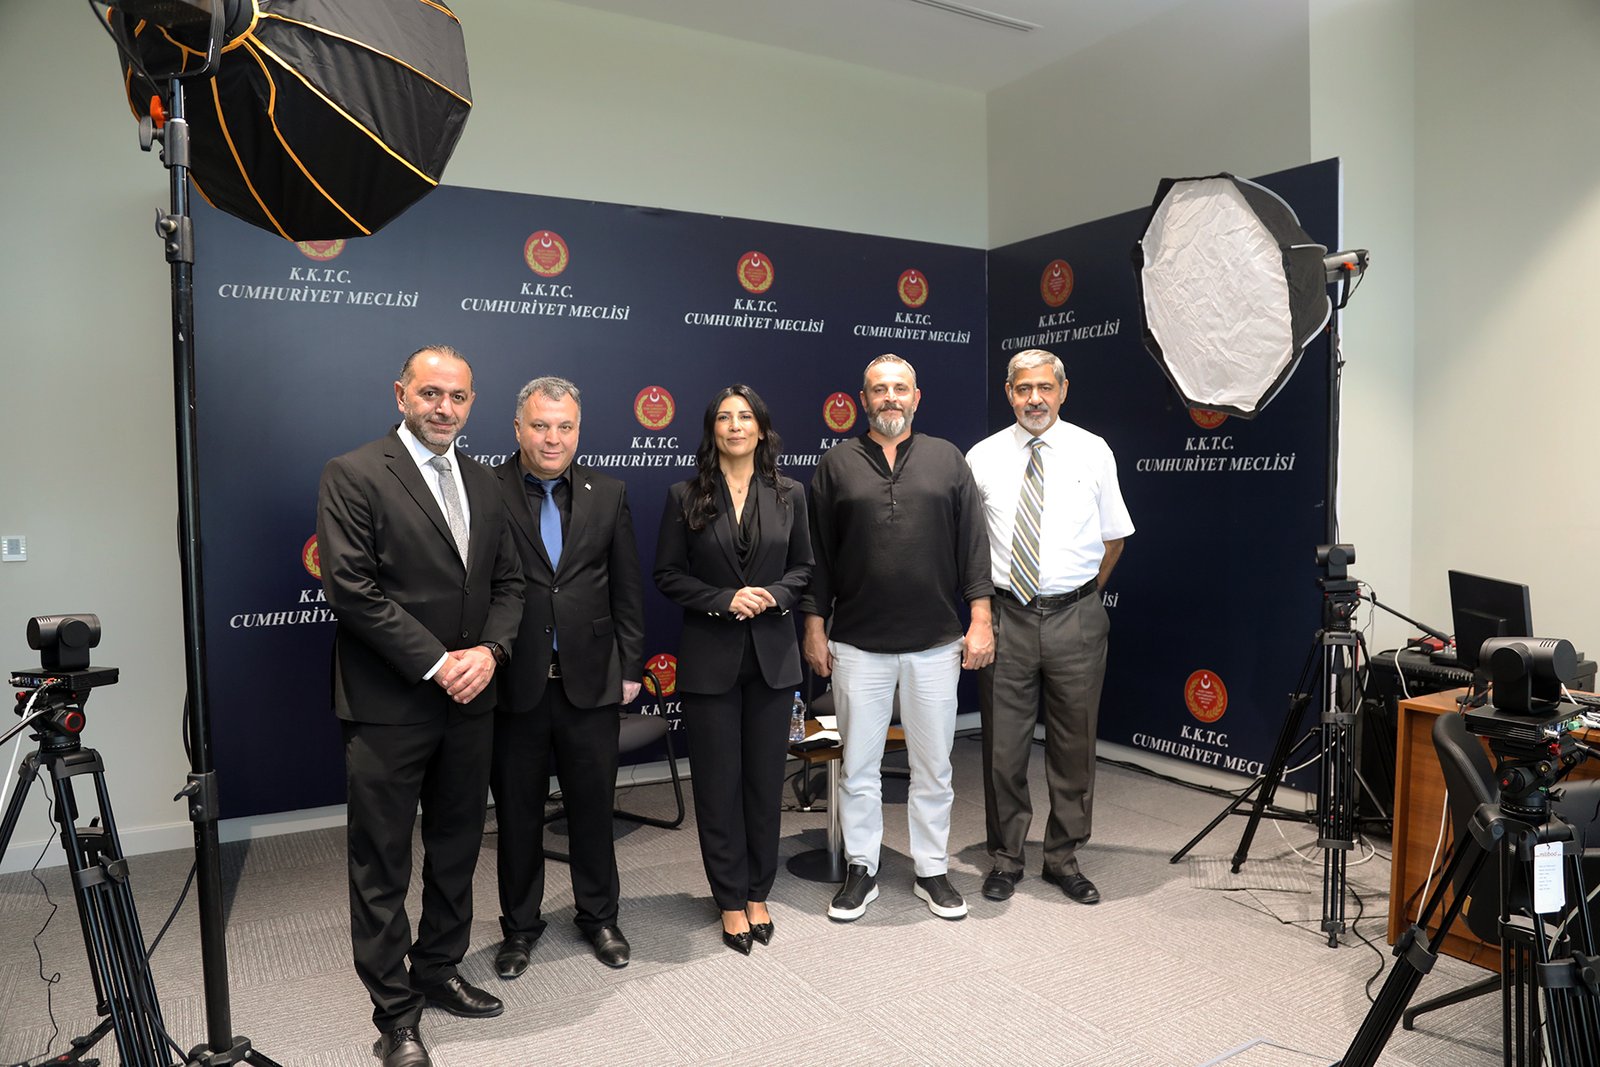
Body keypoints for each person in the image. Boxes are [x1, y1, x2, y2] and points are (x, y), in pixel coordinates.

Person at [317, 345, 524, 1067]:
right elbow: (352, 589)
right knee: (381, 863)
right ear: (401, 394)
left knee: (457, 846)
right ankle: (396, 1015)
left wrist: (491, 652)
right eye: (431, 392)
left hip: (472, 700)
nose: (445, 407)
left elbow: (510, 584)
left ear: (472, 403)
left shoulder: (485, 480)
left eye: (458, 396)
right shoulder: (353, 473)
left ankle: (437, 968)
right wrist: (439, 663)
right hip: (390, 705)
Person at [801, 354, 994, 922]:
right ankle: (862, 868)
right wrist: (814, 625)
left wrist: (980, 617)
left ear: (917, 397)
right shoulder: (836, 464)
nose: (891, 397)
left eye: (900, 388)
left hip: (935, 644)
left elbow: (973, 545)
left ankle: (931, 869)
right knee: (858, 768)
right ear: (863, 399)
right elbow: (817, 557)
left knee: (934, 768)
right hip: (857, 645)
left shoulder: (947, 459)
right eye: (880, 389)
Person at [965, 348, 1133, 906]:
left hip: (1076, 617)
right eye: (1023, 389)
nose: (1034, 399)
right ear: (1008, 393)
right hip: (1005, 616)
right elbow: (969, 547)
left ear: (1063, 391)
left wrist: (1079, 596)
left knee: (1074, 745)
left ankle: (1063, 857)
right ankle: (1006, 857)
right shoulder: (982, 457)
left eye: (1044, 387)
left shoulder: (1093, 450)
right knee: (1003, 748)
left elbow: (1114, 537)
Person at [489, 376, 644, 978]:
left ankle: (599, 917)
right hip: (514, 682)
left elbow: (626, 587)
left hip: (592, 679)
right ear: (517, 428)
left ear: (578, 431)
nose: (553, 438)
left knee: (593, 809)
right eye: (540, 425)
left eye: (565, 427)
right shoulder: (485, 488)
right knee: (518, 815)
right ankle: (519, 928)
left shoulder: (609, 492)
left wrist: (630, 666)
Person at [654, 385, 814, 954]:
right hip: (710, 662)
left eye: (745, 416)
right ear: (712, 430)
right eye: (724, 417)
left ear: (761, 428)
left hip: (773, 661)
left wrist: (773, 595)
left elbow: (804, 569)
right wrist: (723, 599)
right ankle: (728, 898)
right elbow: (668, 575)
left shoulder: (791, 493)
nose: (735, 425)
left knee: (764, 784)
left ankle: (758, 893)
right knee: (718, 787)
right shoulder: (685, 495)